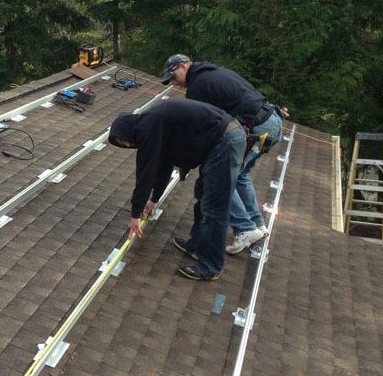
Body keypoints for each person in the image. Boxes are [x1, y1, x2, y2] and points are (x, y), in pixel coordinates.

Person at [109, 98, 246, 281]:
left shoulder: (148, 127)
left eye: (122, 141)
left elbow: (145, 174)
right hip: (222, 138)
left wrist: (135, 215)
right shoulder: (154, 125)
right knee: (203, 196)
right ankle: (197, 245)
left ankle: (211, 266)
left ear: (127, 130)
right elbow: (164, 165)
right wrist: (153, 200)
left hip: (225, 140)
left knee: (214, 207)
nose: (126, 145)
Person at [162, 54, 283, 255]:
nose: (173, 82)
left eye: (173, 76)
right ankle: (257, 225)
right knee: (241, 175)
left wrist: (184, 159)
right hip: (272, 122)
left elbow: (201, 127)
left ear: (183, 66)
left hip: (256, 127)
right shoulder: (210, 73)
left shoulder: (198, 86)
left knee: (223, 179)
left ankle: (245, 228)